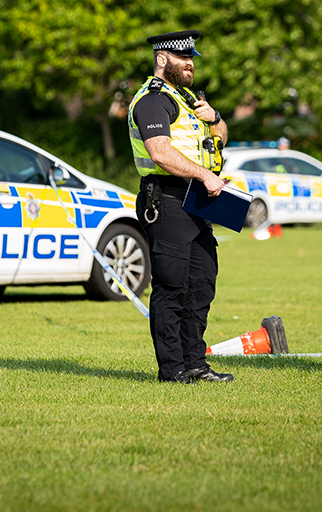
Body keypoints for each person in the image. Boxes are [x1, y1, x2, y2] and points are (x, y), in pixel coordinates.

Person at [127, 30, 232, 383]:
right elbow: (160, 152)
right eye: (182, 57)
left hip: (197, 199)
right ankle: (172, 370)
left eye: (192, 57)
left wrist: (215, 117)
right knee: (172, 286)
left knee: (202, 282)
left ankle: (196, 364)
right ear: (162, 59)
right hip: (167, 197)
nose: (189, 63)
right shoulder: (153, 100)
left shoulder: (188, 99)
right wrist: (204, 175)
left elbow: (221, 136)